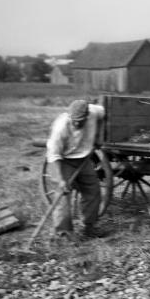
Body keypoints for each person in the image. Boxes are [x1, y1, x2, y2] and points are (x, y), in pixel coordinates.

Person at [46, 99, 105, 239]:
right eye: (74, 120)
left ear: (87, 116)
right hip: (63, 160)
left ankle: (89, 227)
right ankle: (63, 232)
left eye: (81, 120)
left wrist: (99, 136)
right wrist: (61, 180)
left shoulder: (95, 112)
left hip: (83, 159)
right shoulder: (60, 127)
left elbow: (105, 113)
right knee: (63, 193)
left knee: (93, 190)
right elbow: (54, 156)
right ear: (69, 116)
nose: (77, 123)